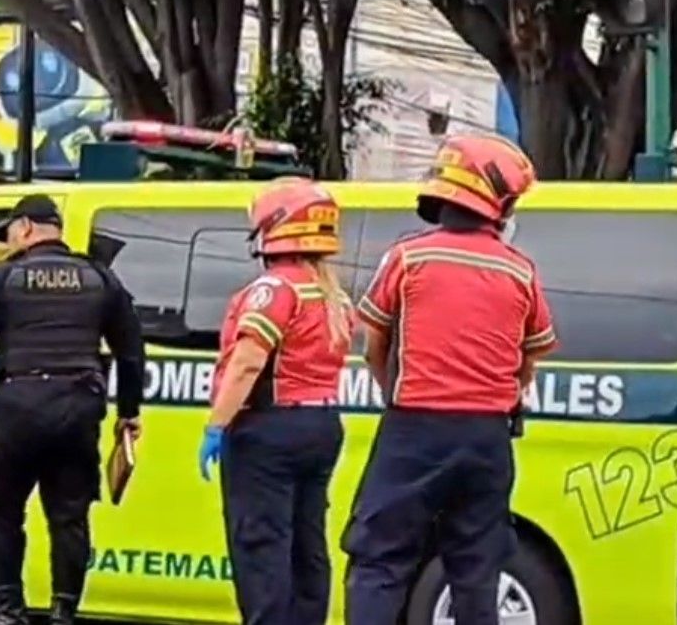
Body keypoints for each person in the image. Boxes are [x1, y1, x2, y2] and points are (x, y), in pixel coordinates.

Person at [341, 133, 558, 625]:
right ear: (494, 201)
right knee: (477, 569)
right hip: (487, 439)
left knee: (380, 559)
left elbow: (373, 339)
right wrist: (502, 395)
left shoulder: (408, 257)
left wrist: (391, 391)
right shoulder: (520, 271)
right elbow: (530, 358)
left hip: (414, 429)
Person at [0, 193, 148, 625]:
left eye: (10, 234)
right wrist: (128, 412)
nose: (9, 244)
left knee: (3, 517)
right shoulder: (99, 279)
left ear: (25, 228)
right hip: (76, 412)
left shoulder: (0, 279)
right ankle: (63, 610)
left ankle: (9, 609)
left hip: (15, 409)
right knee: (69, 519)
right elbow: (131, 352)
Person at [198, 178, 352, 625]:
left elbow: (247, 363)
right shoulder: (332, 294)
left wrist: (217, 425)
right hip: (321, 426)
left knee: (262, 546)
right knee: (307, 546)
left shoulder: (275, 290)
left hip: (269, 431)